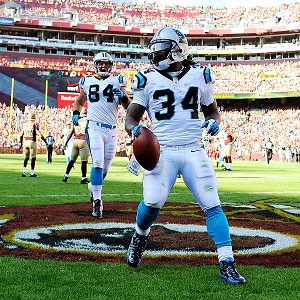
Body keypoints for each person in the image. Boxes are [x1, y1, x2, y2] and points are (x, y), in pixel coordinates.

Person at [124, 27, 245, 285]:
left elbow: (213, 111)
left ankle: (227, 262)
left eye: (162, 47)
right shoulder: (147, 79)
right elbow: (131, 116)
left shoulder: (200, 75)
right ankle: (139, 235)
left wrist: (214, 122)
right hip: (162, 152)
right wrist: (135, 130)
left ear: (179, 49)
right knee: (153, 201)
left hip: (193, 149)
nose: (156, 53)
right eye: (155, 47)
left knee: (212, 204)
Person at [72, 51, 131, 218]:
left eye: (106, 63)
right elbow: (78, 101)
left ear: (110, 65)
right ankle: (97, 202)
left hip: (112, 128)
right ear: (95, 64)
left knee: (104, 169)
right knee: (97, 163)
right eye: (101, 63)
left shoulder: (117, 80)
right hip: (94, 127)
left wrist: (124, 97)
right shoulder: (87, 81)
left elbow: (128, 106)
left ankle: (93, 187)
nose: (103, 66)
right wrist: (75, 112)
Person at [62, 107, 90, 184]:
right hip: (83, 141)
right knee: (84, 161)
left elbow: (71, 132)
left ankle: (66, 175)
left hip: (75, 141)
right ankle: (83, 178)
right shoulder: (88, 120)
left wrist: (66, 142)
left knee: (72, 160)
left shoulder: (76, 119)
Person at [19, 113, 47, 177]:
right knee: (33, 158)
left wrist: (20, 143)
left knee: (26, 157)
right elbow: (39, 134)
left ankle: (24, 171)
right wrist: (45, 141)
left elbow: (21, 134)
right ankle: (32, 172)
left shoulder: (25, 124)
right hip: (32, 142)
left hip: (25, 142)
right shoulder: (34, 124)